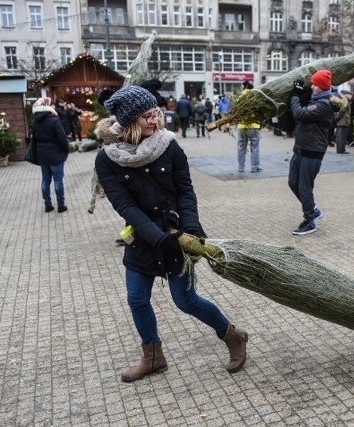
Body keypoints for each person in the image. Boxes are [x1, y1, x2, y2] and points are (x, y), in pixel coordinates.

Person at [94, 86, 248, 382]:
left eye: (155, 113)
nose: (155, 120)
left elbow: (186, 191)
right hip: (142, 239)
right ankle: (153, 357)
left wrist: (191, 229)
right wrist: (156, 237)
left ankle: (233, 336)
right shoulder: (108, 159)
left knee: (186, 300)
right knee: (137, 299)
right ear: (128, 122)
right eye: (147, 116)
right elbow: (123, 204)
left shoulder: (169, 146)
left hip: (178, 237)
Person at [288, 69, 334, 235]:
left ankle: (310, 221)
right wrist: (301, 93)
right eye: (312, 84)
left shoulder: (325, 103)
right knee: (293, 182)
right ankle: (313, 210)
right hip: (300, 148)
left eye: (316, 84)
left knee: (304, 187)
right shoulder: (315, 98)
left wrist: (294, 94)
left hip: (312, 151)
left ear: (323, 86)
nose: (313, 87)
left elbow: (299, 113)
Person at [31, 97, 69, 213]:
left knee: (45, 180)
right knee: (58, 180)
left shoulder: (35, 121)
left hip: (42, 154)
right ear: (47, 106)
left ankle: (48, 205)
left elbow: (34, 138)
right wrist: (66, 149)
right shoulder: (54, 120)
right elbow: (62, 138)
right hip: (55, 153)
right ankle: (61, 206)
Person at [237, 81, 262, 172]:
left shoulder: (239, 98)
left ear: (244, 87)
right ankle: (254, 167)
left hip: (241, 126)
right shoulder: (255, 97)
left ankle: (240, 167)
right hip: (253, 125)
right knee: (254, 147)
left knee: (241, 147)